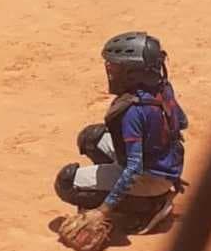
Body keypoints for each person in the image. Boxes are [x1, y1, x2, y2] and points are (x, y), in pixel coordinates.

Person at [54, 32, 188, 237]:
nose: (110, 69)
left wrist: (102, 211)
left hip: (148, 175)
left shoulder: (133, 111)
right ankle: (151, 190)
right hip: (165, 167)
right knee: (91, 138)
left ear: (132, 73)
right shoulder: (162, 87)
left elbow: (134, 168)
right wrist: (167, 164)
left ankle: (150, 206)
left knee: (67, 184)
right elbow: (181, 121)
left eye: (116, 66)